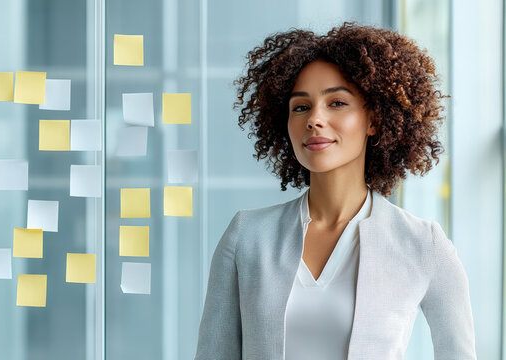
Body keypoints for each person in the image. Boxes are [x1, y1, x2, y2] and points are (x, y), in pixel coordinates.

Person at [194, 21, 476, 359]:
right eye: (300, 107)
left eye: (337, 103)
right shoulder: (246, 236)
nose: (314, 119)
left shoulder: (422, 244)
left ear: (375, 120)